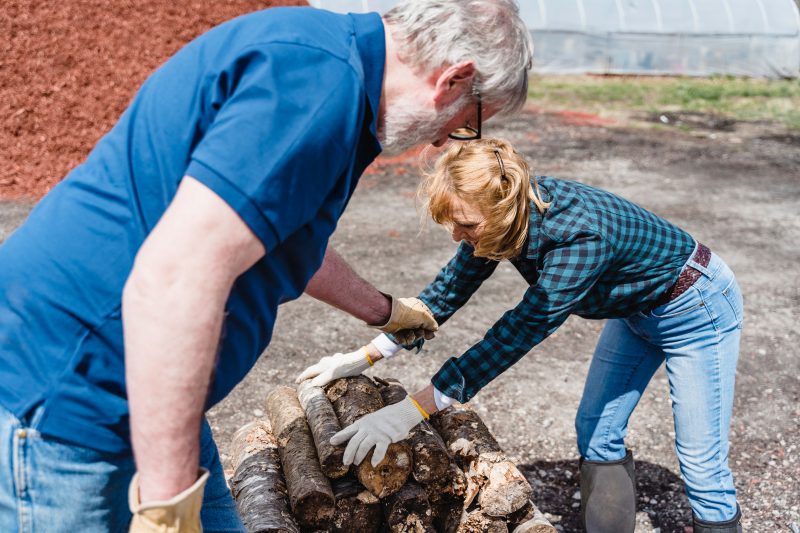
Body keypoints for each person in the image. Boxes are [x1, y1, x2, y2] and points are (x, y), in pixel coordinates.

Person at [0, 2, 533, 531]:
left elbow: (285, 239)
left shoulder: (336, 78)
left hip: (143, 374)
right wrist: (167, 508)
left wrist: (385, 312)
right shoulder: (316, 90)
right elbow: (176, 278)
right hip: (74, 389)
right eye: (466, 123)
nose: (443, 140)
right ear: (454, 79)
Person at [299, 138, 745, 533]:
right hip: (635, 312)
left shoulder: (579, 236)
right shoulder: (501, 213)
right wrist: (369, 354)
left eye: (466, 225)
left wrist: (415, 407)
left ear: (506, 207)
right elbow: (449, 290)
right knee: (596, 431)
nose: (458, 235)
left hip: (696, 308)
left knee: (701, 462)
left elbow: (518, 332)